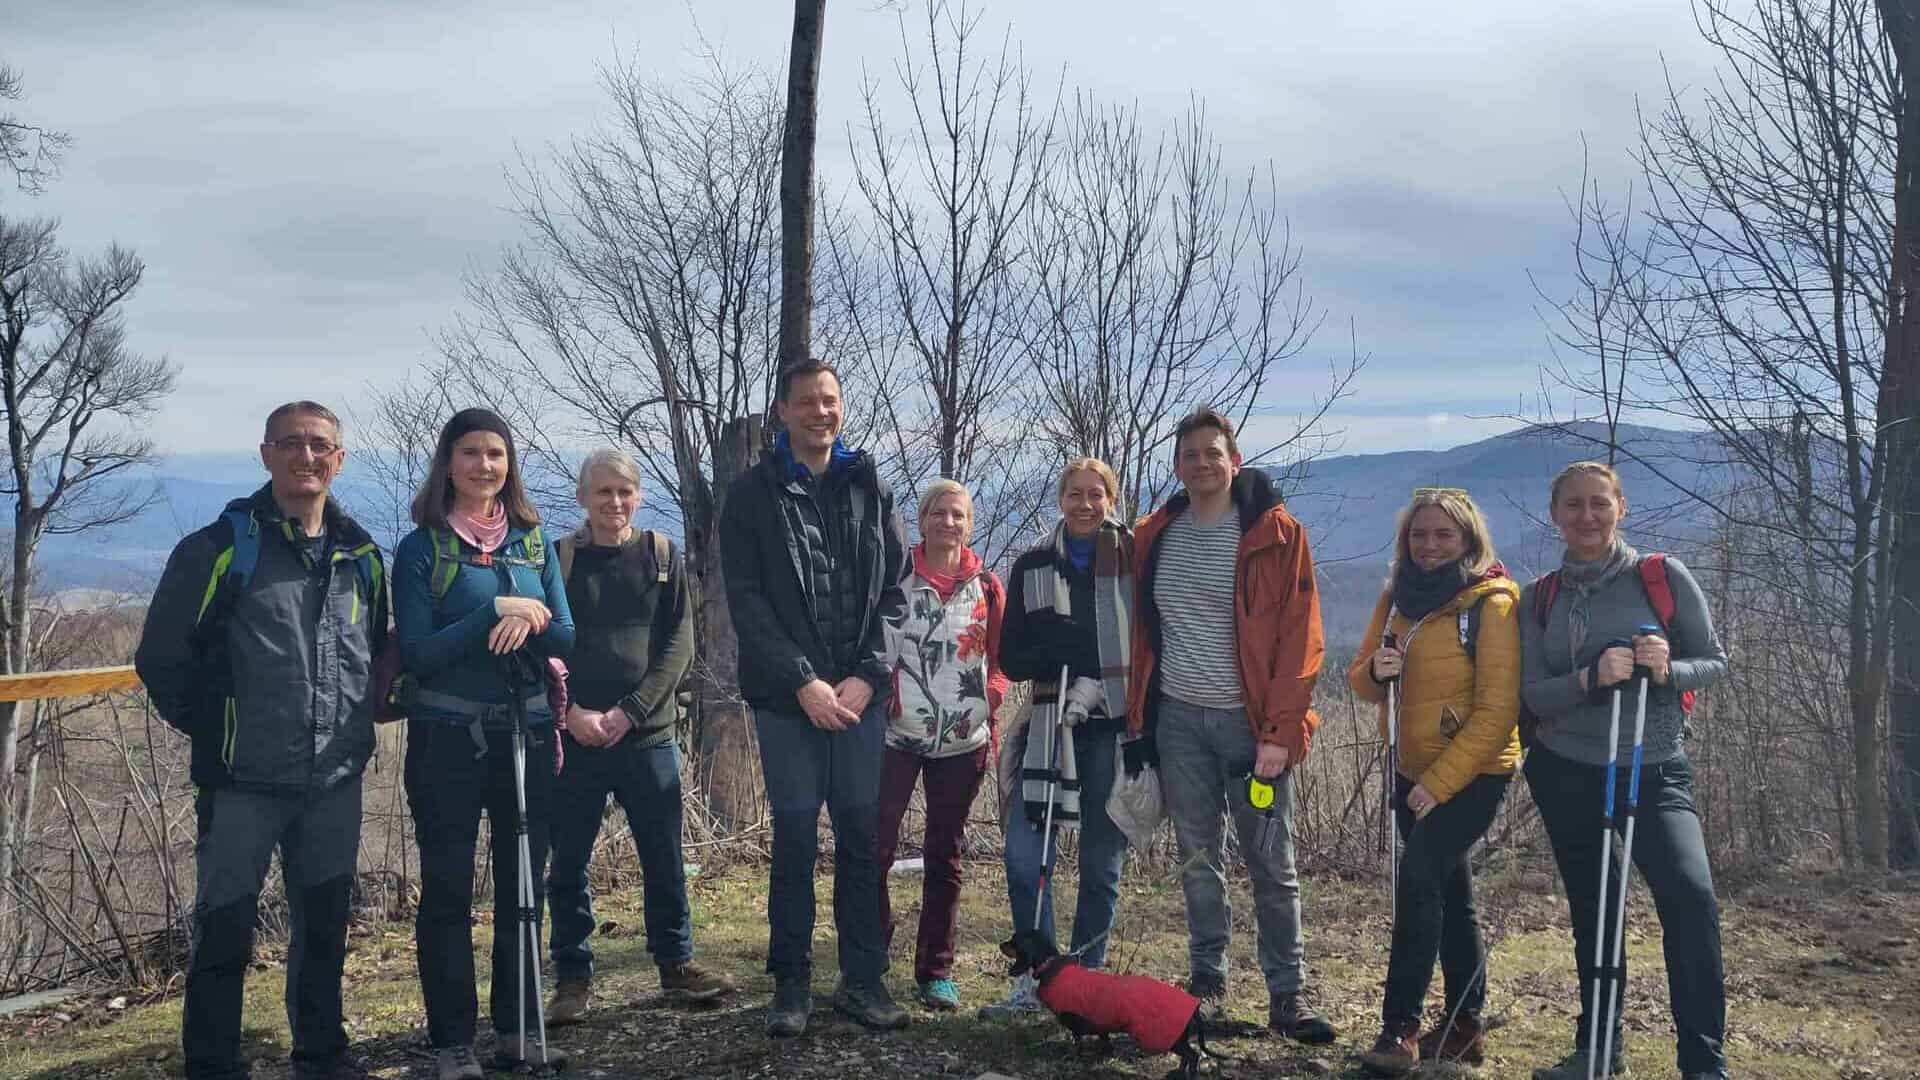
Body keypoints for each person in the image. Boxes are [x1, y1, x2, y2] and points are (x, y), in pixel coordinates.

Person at [136, 402, 385, 1080]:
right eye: (291, 443)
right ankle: (214, 1065)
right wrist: (219, 729)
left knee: (324, 929)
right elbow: (161, 658)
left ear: (339, 459)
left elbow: (374, 655)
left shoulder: (362, 556)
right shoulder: (220, 548)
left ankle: (323, 1057)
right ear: (266, 454)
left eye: (320, 445)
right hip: (242, 782)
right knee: (224, 932)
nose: (307, 457)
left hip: (333, 780)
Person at [1127, 407, 1335, 1042]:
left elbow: (1301, 640)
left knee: (1271, 861)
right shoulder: (1155, 534)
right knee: (1198, 858)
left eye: (1212, 453)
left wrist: (1280, 732)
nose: (1201, 464)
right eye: (1189, 455)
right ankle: (1207, 983)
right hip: (1179, 724)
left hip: (1252, 730)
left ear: (1234, 461)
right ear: (1176, 466)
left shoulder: (1276, 534)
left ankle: (1287, 995)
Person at [719, 358, 911, 1037]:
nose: (820, 412)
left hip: (859, 700)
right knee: (796, 841)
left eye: (829, 400)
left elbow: (897, 591)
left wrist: (869, 675)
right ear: (782, 410)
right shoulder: (752, 495)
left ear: (841, 407)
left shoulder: (869, 485)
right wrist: (803, 679)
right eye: (806, 401)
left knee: (861, 840)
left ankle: (862, 980)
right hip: (787, 702)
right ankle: (791, 985)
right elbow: (747, 600)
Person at [1522, 461, 1730, 1080]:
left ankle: (1703, 1063)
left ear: (1621, 508)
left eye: (1600, 503)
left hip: (1653, 766)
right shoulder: (1540, 597)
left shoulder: (1661, 577)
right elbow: (1532, 695)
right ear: (1555, 514)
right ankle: (1598, 1049)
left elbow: (1714, 662)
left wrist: (1666, 668)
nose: (1587, 516)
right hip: (1565, 769)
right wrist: (1590, 678)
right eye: (1574, 505)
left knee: (1691, 899)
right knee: (1596, 908)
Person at [394, 408, 576, 1080]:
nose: (484, 465)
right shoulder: (422, 548)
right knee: (447, 891)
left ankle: (519, 1030)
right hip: (447, 737)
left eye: (495, 453)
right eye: (470, 452)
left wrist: (531, 618)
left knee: (524, 885)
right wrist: (492, 612)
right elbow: (419, 654)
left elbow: (568, 637)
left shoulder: (533, 542)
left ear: (510, 464)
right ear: (448, 462)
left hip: (527, 731)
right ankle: (453, 1042)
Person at [544, 449, 736, 1026]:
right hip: (577, 739)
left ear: (639, 496)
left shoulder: (661, 555)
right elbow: (545, 647)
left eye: (624, 492)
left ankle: (676, 964)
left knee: (664, 858)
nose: (614, 502)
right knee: (568, 862)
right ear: (583, 497)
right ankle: (572, 977)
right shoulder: (560, 559)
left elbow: (680, 645)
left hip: (648, 737)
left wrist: (630, 712)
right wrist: (572, 714)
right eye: (603, 491)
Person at [1346, 488, 1521, 1075]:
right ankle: (1466, 1025)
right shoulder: (1397, 598)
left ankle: (1399, 1030)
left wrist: (1439, 785)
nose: (1429, 545)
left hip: (1476, 771)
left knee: (1419, 883)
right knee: (1450, 890)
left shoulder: (1492, 604)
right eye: (1419, 534)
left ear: (1468, 540)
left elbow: (1498, 713)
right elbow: (1361, 680)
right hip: (1411, 768)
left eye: (1444, 535)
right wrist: (1376, 672)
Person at [979, 456, 1134, 1020]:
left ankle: (1086, 986)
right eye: (1075, 494)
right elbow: (1014, 658)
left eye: (1097, 494)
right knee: (1026, 860)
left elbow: (1148, 647)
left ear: (1111, 499)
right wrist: (1061, 647)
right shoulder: (1033, 565)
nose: (1086, 504)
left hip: (1112, 730)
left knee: (1101, 865)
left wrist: (1097, 681)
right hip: (1047, 727)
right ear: (1060, 499)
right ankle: (1037, 981)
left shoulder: (1134, 561)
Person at [873, 478, 1009, 1012]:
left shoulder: (987, 586)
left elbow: (1001, 659)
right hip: (894, 737)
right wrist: (884, 693)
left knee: (945, 856)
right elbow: (873, 645)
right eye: (938, 513)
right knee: (875, 849)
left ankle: (936, 972)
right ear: (922, 519)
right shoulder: (896, 578)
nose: (948, 522)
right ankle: (870, 959)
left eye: (958, 514)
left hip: (962, 742)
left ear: (970, 524)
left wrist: (991, 698)